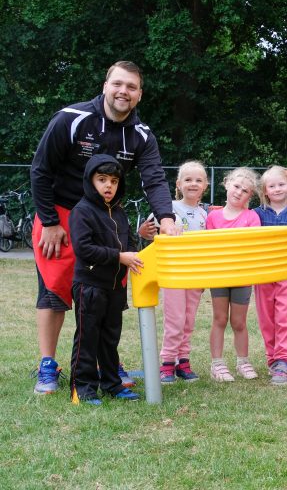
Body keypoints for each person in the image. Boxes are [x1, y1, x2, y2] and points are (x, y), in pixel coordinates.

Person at [29, 61, 177, 395]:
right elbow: (40, 170)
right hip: (60, 215)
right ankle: (47, 365)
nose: (124, 91)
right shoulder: (71, 118)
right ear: (106, 84)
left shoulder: (141, 135)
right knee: (54, 292)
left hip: (108, 219)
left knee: (105, 296)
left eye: (132, 87)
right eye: (118, 84)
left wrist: (166, 219)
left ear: (139, 95)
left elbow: (153, 177)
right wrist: (50, 222)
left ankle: (105, 362)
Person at [68, 154, 143, 405]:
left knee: (110, 338)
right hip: (89, 286)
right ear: (90, 181)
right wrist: (119, 256)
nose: (108, 186)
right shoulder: (81, 211)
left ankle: (112, 383)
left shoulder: (119, 212)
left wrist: (134, 253)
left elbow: (128, 243)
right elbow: (84, 249)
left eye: (113, 180)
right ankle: (82, 387)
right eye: (102, 180)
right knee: (88, 337)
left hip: (114, 288)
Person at [253, 165, 287, 385]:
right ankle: (272, 360)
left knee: (285, 318)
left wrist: (285, 265)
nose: (277, 189)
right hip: (263, 275)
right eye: (272, 185)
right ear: (265, 190)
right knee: (267, 319)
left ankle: (283, 361)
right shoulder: (256, 214)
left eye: (281, 184)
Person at [156, 161, 209, 384]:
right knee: (175, 320)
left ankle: (183, 361)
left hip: (195, 275)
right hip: (174, 274)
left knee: (188, 320)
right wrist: (148, 230)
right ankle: (167, 362)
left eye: (198, 180)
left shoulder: (205, 215)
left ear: (205, 185)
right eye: (188, 179)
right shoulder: (169, 209)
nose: (193, 184)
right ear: (178, 184)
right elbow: (150, 231)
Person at [207, 167, 261, 382]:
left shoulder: (252, 216)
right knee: (219, 318)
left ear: (250, 196)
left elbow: (253, 246)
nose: (239, 192)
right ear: (227, 183)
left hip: (242, 276)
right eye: (237, 186)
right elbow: (210, 247)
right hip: (219, 275)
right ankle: (217, 365)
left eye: (245, 190)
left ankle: (243, 362)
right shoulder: (213, 216)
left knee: (239, 321)